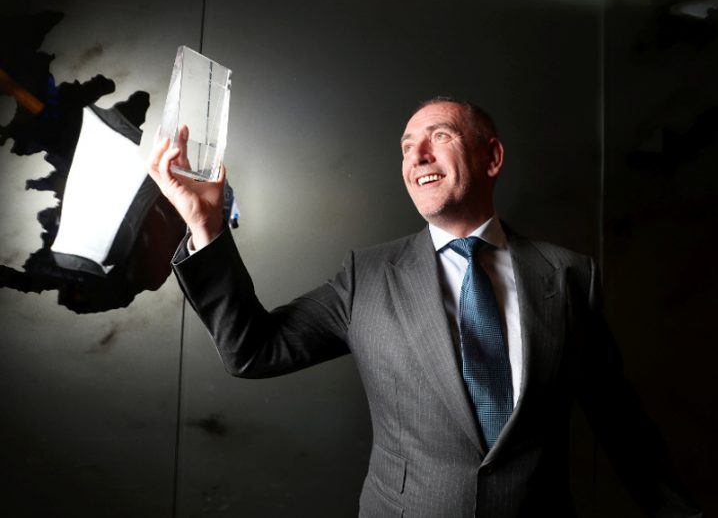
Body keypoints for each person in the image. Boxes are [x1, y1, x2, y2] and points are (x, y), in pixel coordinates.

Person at [147, 98, 701, 517]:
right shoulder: (367, 276)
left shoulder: (570, 275)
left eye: (439, 136)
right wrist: (205, 225)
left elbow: (622, 424)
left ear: (492, 157)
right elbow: (253, 351)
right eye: (408, 146)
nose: (418, 155)